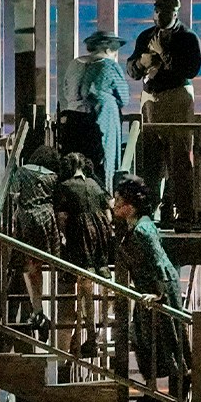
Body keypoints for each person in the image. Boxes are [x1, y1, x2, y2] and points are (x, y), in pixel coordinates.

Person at [112, 177, 192, 402]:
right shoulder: (136, 225)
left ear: (130, 206)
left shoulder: (142, 230)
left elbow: (158, 262)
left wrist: (160, 295)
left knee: (165, 338)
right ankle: (153, 391)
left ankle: (176, 386)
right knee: (141, 338)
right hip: (149, 288)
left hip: (160, 288)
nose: (115, 204)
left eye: (119, 201)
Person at [127, 0, 201, 225]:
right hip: (151, 99)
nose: (160, 15)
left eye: (165, 11)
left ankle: (185, 214)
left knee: (179, 158)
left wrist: (163, 54)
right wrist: (142, 63)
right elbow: (132, 68)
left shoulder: (187, 37)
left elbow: (191, 69)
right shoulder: (145, 36)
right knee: (149, 158)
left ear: (175, 13)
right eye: (157, 11)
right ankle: (149, 213)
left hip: (176, 98)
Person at [55, 152, 115, 356]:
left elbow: (62, 218)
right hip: (101, 233)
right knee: (96, 282)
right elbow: (109, 209)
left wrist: (64, 237)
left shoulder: (65, 187)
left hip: (80, 235)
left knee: (83, 283)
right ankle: (92, 334)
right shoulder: (94, 184)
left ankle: (86, 335)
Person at [3, 146, 62, 334]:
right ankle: (39, 312)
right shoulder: (53, 176)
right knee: (37, 265)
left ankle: (38, 311)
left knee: (29, 266)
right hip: (46, 220)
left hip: (26, 220)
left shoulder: (22, 171)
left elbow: (13, 194)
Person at [60, 29, 127, 190]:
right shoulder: (110, 66)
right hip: (99, 124)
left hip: (73, 123)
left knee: (75, 164)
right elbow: (124, 96)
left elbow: (66, 89)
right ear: (108, 48)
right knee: (101, 166)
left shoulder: (74, 64)